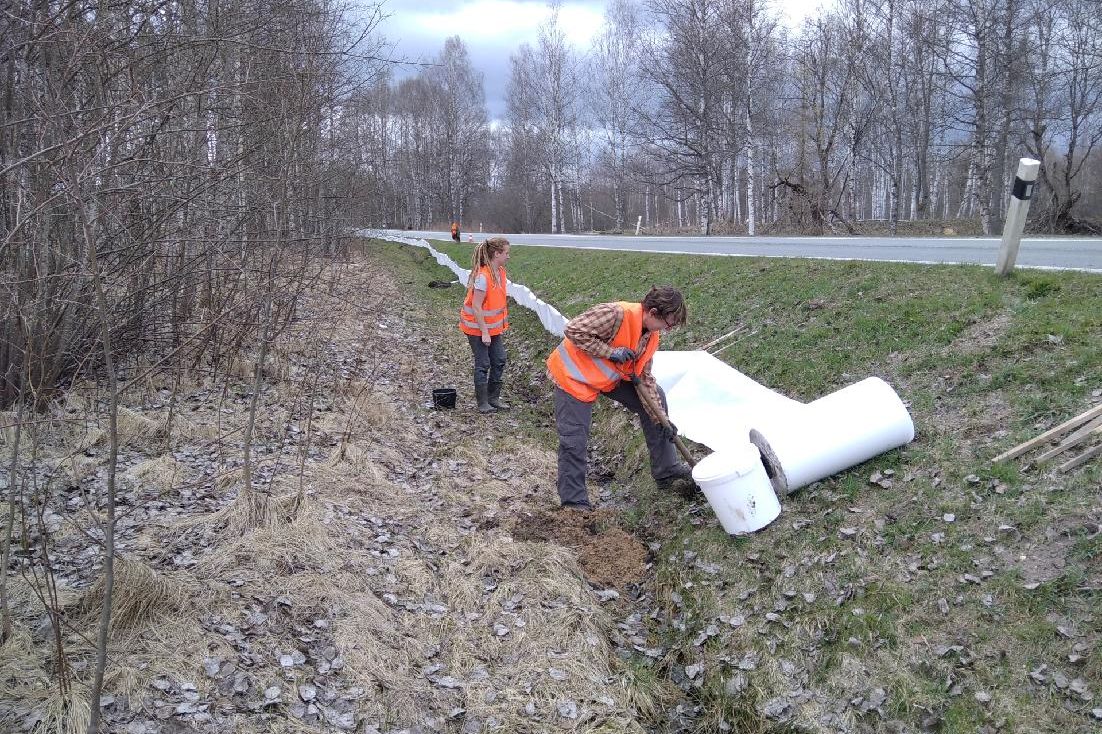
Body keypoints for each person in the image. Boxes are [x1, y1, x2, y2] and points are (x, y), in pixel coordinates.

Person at [545, 286, 696, 510]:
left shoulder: (651, 337)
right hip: (573, 376)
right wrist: (610, 352)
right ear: (653, 312)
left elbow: (644, 378)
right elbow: (574, 330)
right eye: (668, 323)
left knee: (656, 401)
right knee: (574, 441)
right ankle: (574, 503)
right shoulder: (616, 314)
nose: (668, 328)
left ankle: (667, 471)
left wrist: (661, 420)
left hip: (607, 378)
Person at [458, 237, 511, 413]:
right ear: (496, 254)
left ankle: (493, 398)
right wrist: (484, 332)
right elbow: (476, 306)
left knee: (500, 359)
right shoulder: (482, 277)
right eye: (506, 253)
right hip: (476, 327)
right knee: (483, 363)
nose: (508, 257)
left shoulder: (501, 272)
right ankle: (483, 403)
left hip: (493, 327)